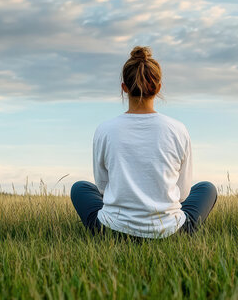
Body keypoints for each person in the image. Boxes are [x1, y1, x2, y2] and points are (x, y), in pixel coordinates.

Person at [70, 46, 218, 240]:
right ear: (158, 88)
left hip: (113, 231)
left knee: (79, 188)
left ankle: (113, 231)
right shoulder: (178, 129)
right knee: (207, 188)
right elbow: (182, 194)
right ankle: (174, 230)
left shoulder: (105, 129)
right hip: (170, 232)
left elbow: (103, 188)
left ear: (124, 88)